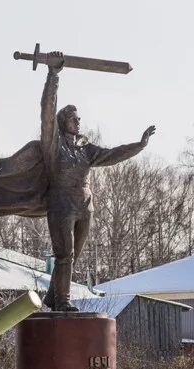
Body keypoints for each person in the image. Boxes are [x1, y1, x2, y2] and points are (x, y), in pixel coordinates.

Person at [40, 51, 155, 310]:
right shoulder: (53, 144)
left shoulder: (85, 148)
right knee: (64, 256)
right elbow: (46, 112)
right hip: (61, 205)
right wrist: (53, 75)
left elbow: (111, 155)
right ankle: (63, 302)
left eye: (80, 119)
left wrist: (139, 145)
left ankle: (53, 297)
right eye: (74, 119)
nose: (79, 122)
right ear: (63, 122)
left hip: (84, 206)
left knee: (72, 257)